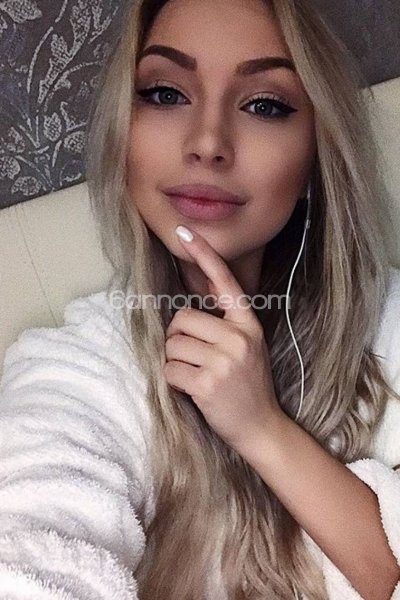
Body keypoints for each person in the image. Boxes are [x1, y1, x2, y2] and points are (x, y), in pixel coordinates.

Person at [0, 0, 399, 598]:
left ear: (315, 156)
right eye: (165, 94)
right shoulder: (77, 366)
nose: (208, 142)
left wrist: (261, 427)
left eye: (265, 105)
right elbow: (31, 542)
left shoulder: (387, 321)